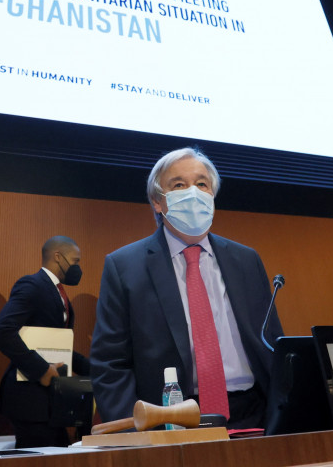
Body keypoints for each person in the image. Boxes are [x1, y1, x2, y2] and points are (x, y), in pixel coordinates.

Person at [90, 147, 283, 429]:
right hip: (168, 420)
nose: (193, 192)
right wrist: (134, 431)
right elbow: (110, 363)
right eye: (179, 185)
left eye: (201, 184)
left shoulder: (246, 260)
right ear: (158, 201)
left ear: (212, 195)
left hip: (253, 414)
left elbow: (274, 345)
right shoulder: (124, 266)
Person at [0, 236, 91, 448]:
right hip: (30, 399)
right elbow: (2, 331)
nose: (77, 268)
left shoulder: (57, 292)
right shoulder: (32, 285)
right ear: (58, 257)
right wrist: (41, 369)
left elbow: (57, 347)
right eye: (75, 261)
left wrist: (94, 369)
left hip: (50, 401)